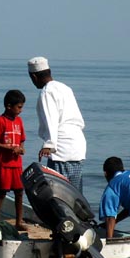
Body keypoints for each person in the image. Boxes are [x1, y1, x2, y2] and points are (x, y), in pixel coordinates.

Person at [27, 56, 87, 194]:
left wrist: (49, 144)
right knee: (75, 194)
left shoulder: (47, 92)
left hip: (61, 150)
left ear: (34, 76)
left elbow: (51, 120)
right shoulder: (65, 88)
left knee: (59, 193)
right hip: (77, 147)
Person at [0, 89, 27, 231]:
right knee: (2, 192)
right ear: (9, 106)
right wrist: (9, 148)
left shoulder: (19, 121)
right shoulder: (0, 121)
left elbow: (22, 140)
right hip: (3, 164)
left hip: (16, 164)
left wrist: (20, 148)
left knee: (19, 191)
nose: (21, 110)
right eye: (19, 107)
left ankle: (19, 221)